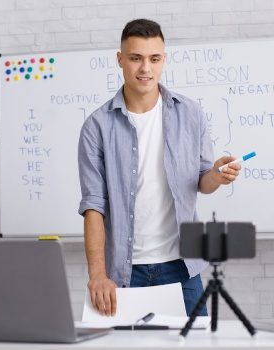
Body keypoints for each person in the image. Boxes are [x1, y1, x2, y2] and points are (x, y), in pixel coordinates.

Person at [78, 18, 240, 317]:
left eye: (154, 59)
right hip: (123, 274)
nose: (145, 69)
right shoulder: (96, 126)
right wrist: (97, 274)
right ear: (120, 60)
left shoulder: (190, 113)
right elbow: (94, 206)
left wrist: (216, 175)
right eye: (136, 58)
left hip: (183, 266)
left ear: (164, 59)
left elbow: (202, 182)